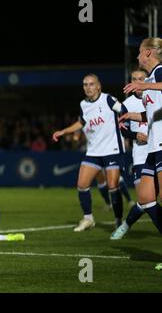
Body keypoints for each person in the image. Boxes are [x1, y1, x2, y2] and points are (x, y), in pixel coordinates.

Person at [52, 74, 125, 232]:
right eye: (85, 84)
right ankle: (88, 219)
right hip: (93, 151)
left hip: (112, 150)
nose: (88, 87)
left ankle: (119, 220)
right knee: (82, 185)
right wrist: (63, 132)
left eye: (91, 84)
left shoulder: (108, 99)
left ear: (99, 86)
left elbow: (124, 111)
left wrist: (127, 130)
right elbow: (81, 122)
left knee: (113, 186)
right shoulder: (83, 104)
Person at [118, 38, 162, 271]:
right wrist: (131, 117)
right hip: (154, 148)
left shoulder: (159, 72)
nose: (136, 58)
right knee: (146, 197)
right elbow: (150, 114)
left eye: (138, 53)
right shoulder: (153, 79)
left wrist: (144, 86)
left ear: (147, 52)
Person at [111, 68, 149, 240]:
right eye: (134, 79)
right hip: (141, 155)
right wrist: (135, 135)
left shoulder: (157, 98)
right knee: (144, 198)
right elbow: (124, 131)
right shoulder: (127, 104)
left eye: (141, 78)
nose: (138, 82)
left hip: (159, 151)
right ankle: (126, 225)